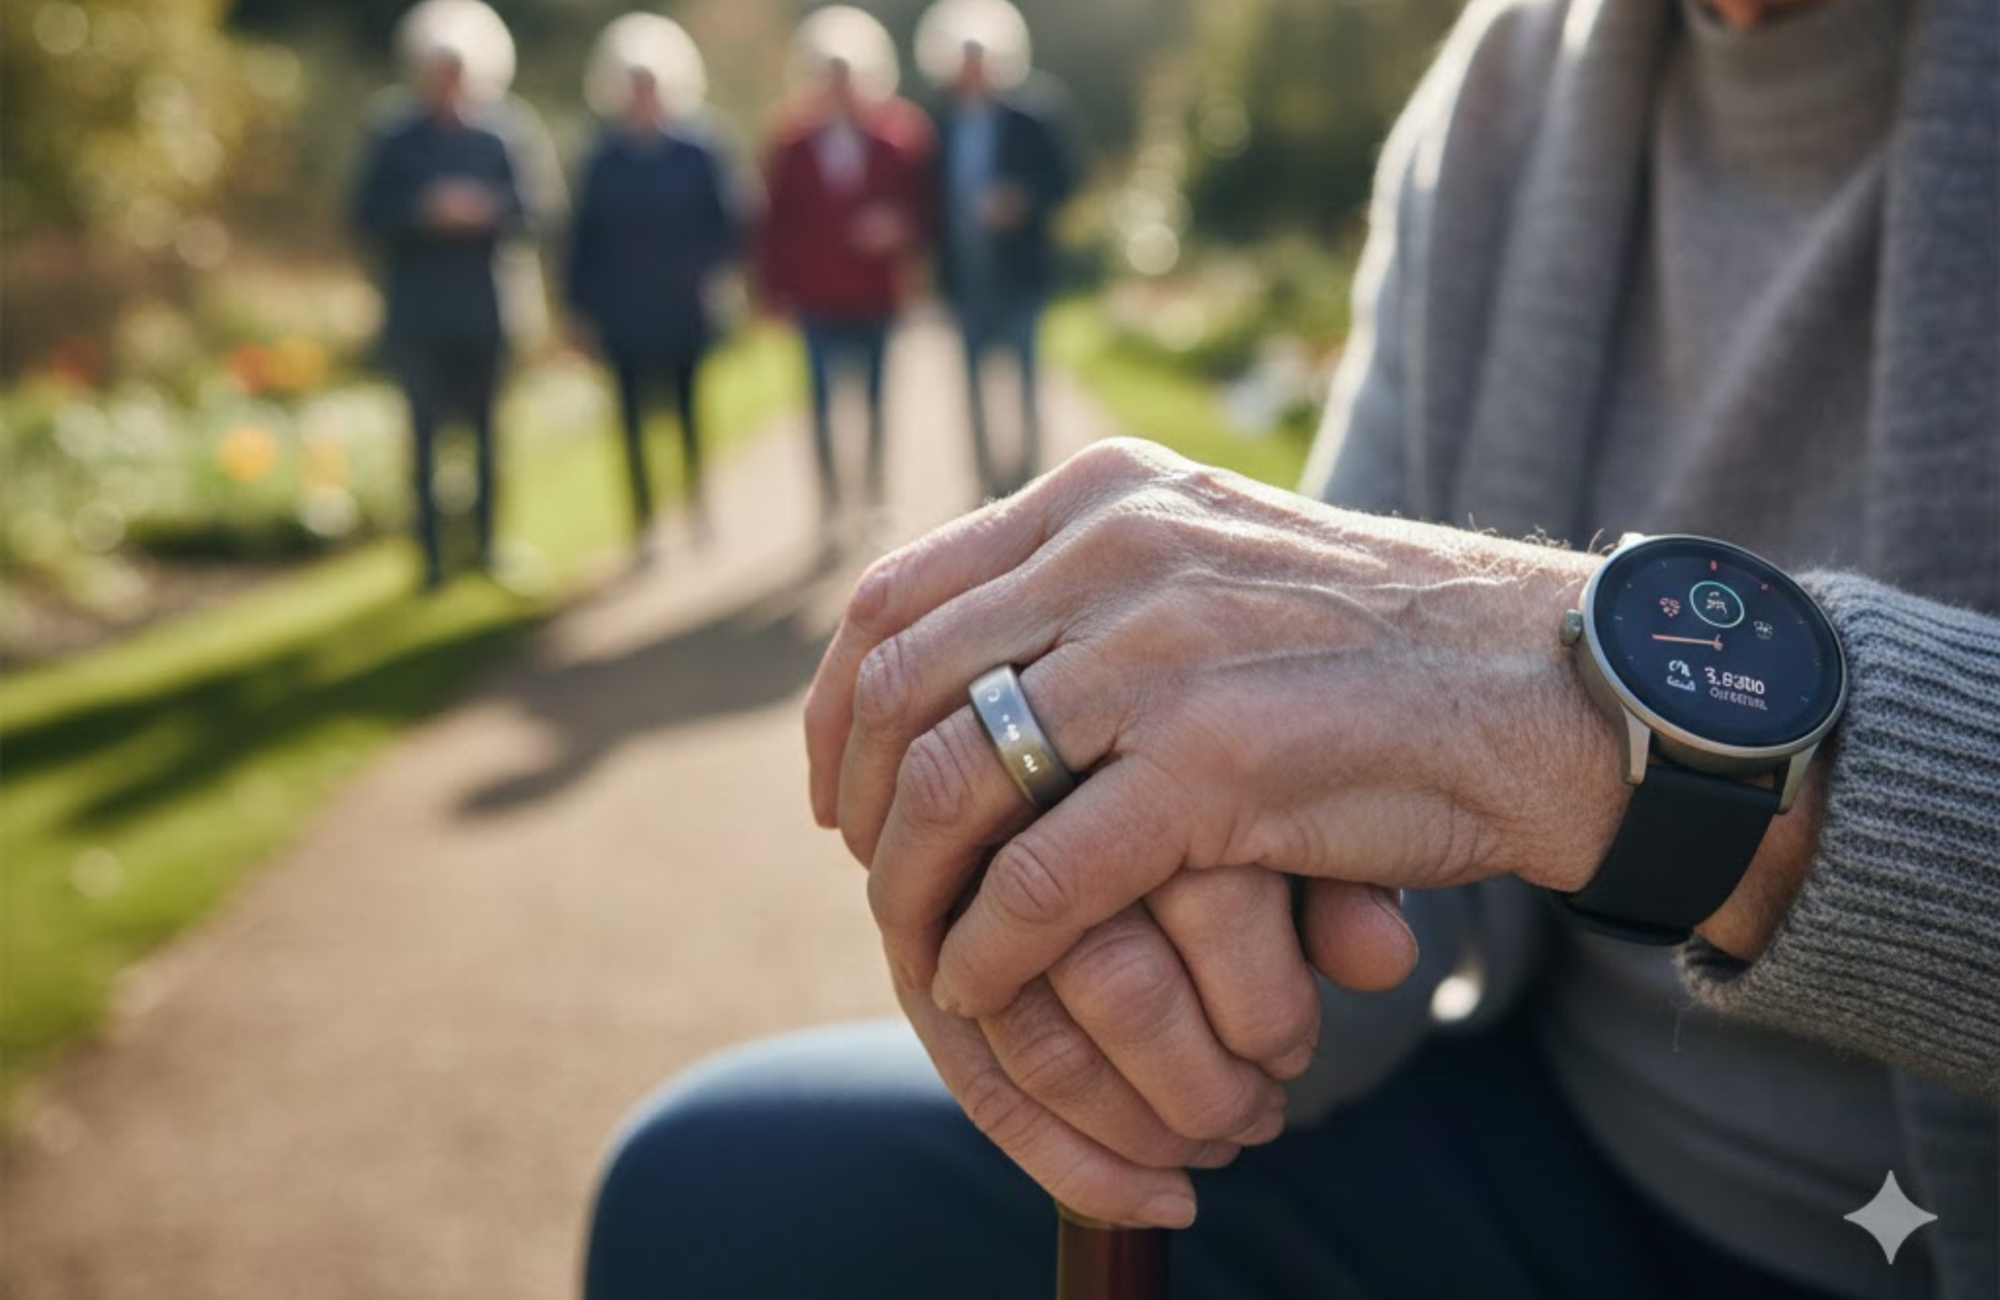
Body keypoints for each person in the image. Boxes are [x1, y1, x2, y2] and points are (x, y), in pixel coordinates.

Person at [586, 1, 1999, 1298]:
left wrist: (1573, 723)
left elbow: (1451, 687)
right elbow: (1362, 890)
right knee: (714, 1196)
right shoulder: (1509, 84)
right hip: (1560, 1142)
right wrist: (1154, 881)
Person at [350, 0, 539, 590]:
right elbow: (363, 214)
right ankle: (430, 559)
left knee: (486, 437)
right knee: (425, 439)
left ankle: (484, 547)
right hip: (418, 314)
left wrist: (485, 213)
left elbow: (536, 212)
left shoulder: (505, 133)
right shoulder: (393, 135)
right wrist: (423, 213)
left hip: (485, 310)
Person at [755, 6, 935, 548]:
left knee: (878, 403)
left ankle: (877, 500)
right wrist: (770, 293)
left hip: (875, 295)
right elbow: (772, 223)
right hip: (815, 298)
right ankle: (831, 508)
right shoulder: (788, 143)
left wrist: (898, 228)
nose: (838, 86)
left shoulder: (900, 138)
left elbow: (926, 208)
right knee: (822, 407)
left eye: (847, 74)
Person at [566, 15, 739, 558]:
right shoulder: (601, 155)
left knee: (689, 414)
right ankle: (643, 523)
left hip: (683, 306)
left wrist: (712, 277)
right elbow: (581, 236)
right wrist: (577, 310)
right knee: (631, 422)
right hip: (622, 311)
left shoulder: (700, 148)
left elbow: (730, 225)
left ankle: (698, 508)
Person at [914, 0, 1077, 500]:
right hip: (964, 275)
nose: (972, 69)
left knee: (1026, 380)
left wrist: (1021, 201)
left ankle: (1032, 480)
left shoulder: (1034, 116)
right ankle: (985, 486)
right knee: (972, 387)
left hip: (1020, 273)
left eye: (980, 58)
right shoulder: (938, 126)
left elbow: (1067, 180)